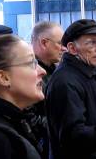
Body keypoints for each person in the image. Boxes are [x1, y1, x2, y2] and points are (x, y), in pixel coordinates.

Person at [45, 19, 96, 159]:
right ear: (72, 48)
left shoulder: (92, 75)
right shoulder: (65, 81)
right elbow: (72, 136)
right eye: (92, 42)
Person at [29, 21, 66, 158]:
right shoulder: (29, 74)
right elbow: (30, 119)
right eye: (60, 43)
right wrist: (63, 123)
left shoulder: (55, 70)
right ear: (44, 43)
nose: (64, 48)